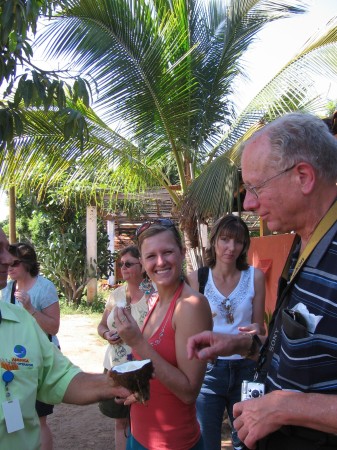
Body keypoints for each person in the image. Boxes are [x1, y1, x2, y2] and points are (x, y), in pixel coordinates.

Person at [187, 112, 337, 450]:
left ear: (303, 177)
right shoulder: (305, 241)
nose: (250, 204)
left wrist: (287, 407)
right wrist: (242, 346)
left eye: (256, 188)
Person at [0, 226, 132, 449]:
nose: (7, 259)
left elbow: (61, 378)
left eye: (7, 249)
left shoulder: (21, 321)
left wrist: (119, 383)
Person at [114, 219, 213, 450]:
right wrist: (136, 390)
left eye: (167, 252)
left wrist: (137, 342)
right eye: (151, 256)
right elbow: (159, 372)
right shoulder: (156, 299)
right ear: (142, 261)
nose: (160, 262)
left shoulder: (191, 305)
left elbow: (189, 391)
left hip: (172, 443)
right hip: (140, 435)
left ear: (182, 252)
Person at [187, 214, 265, 450]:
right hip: (209, 372)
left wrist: (255, 331)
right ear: (214, 241)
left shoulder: (255, 277)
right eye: (225, 239)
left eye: (238, 242)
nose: (231, 248)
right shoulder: (197, 279)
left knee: (247, 442)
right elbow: (193, 328)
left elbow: (259, 328)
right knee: (207, 443)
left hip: (246, 368)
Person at [0, 242, 60, 450]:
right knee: (14, 415)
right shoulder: (7, 289)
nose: (9, 265)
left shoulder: (45, 287)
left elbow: (53, 327)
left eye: (15, 262)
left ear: (27, 264)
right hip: (13, 361)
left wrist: (30, 308)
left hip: (40, 358)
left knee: (39, 417)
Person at [97, 245, 153, 450]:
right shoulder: (116, 295)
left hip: (143, 370)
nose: (123, 268)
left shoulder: (154, 294)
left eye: (128, 264)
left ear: (143, 266)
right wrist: (106, 334)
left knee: (145, 419)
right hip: (116, 367)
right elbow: (102, 325)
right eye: (121, 264)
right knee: (120, 421)